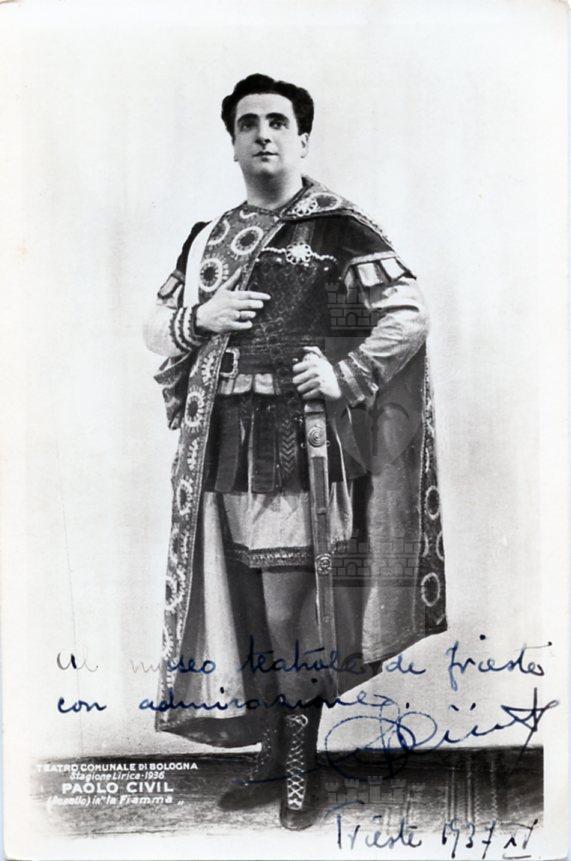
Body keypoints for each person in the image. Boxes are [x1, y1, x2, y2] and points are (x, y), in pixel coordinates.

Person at [144, 73, 447, 830]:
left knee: (291, 615)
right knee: (245, 609)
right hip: (221, 445)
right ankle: (272, 754)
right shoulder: (208, 237)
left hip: (300, 449)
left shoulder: (339, 228)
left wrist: (346, 374)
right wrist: (200, 316)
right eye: (248, 123)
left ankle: (299, 766)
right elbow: (155, 329)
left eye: (277, 121)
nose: (263, 134)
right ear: (233, 142)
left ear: (302, 138)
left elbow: (407, 314)